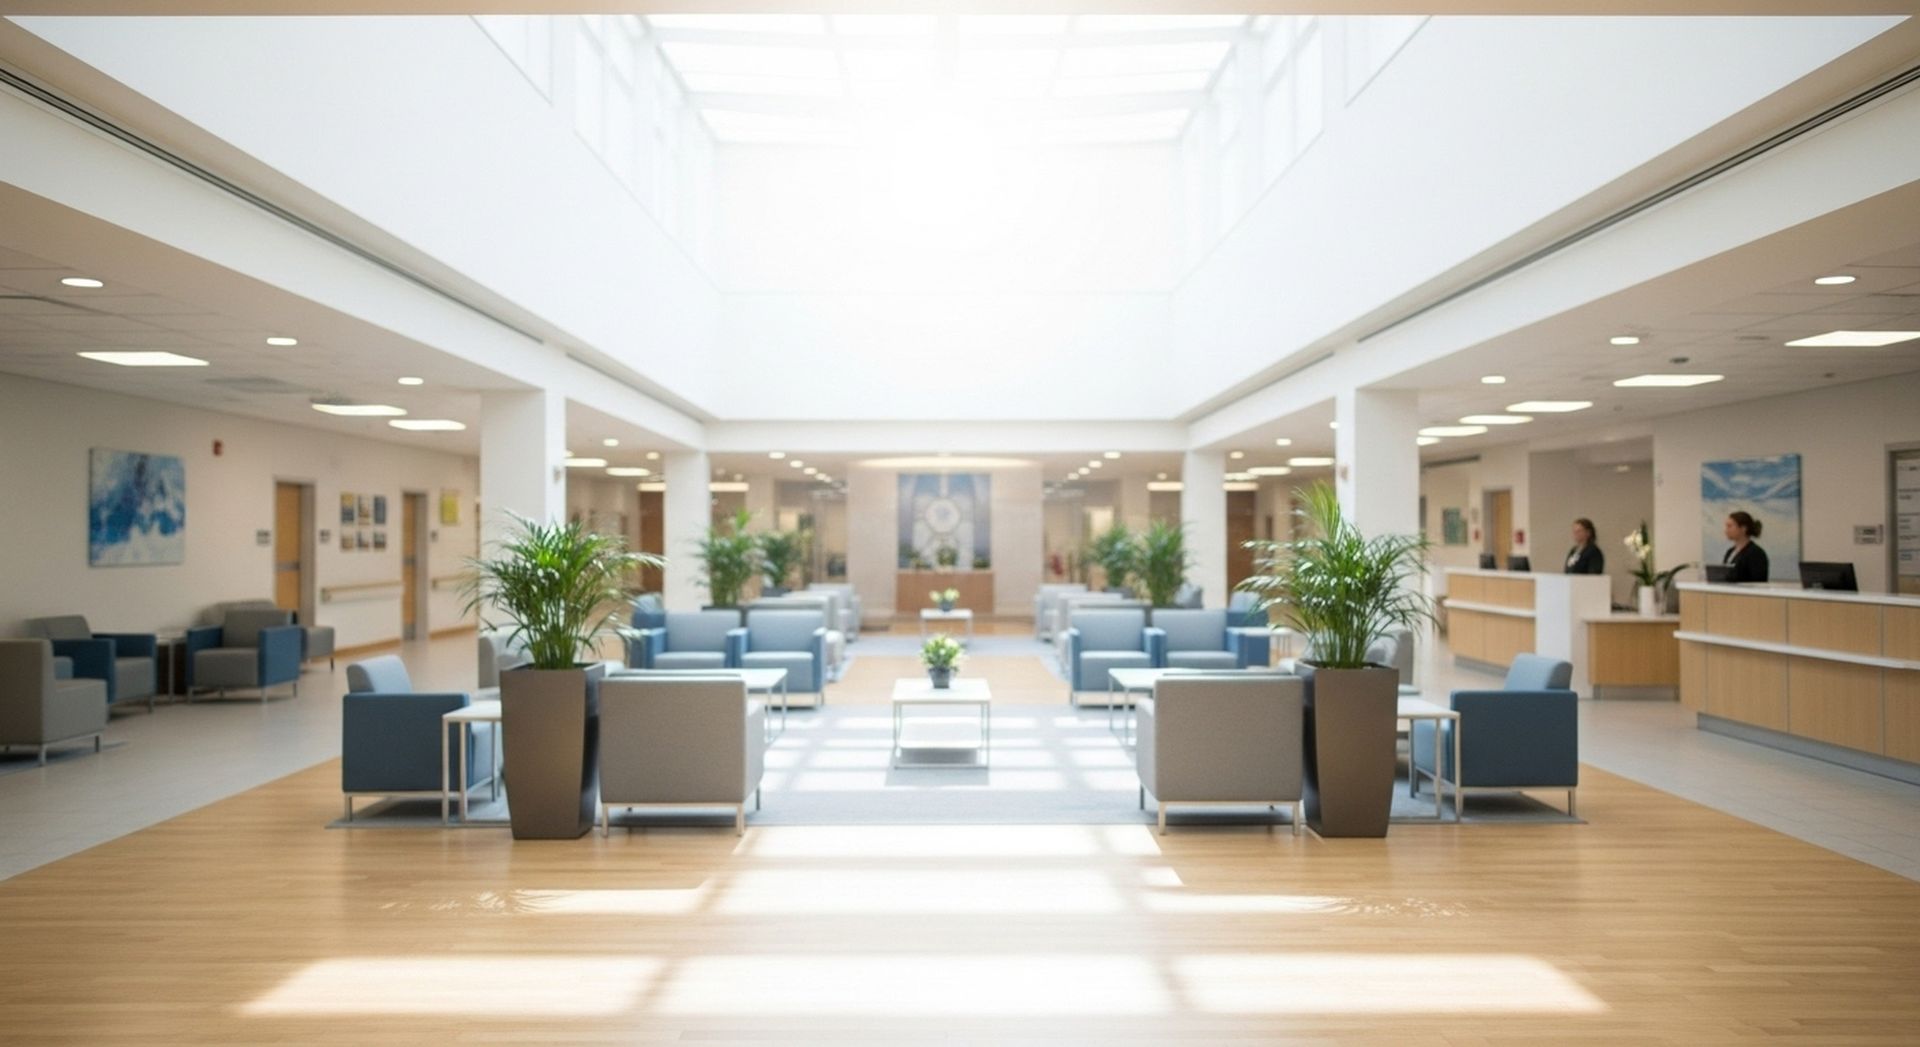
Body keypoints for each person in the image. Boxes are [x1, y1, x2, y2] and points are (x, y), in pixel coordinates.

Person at [1722, 510, 1769, 583]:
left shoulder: (1756, 553)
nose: (1726, 530)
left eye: (1730, 526)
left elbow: (1758, 583)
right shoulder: (1730, 552)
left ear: (1743, 528)